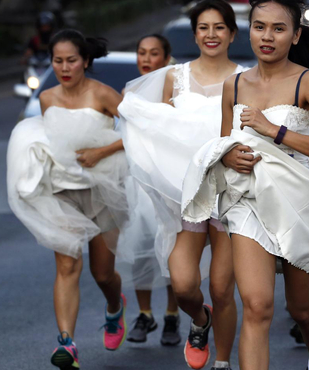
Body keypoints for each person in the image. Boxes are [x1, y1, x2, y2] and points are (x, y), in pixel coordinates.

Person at [181, 1, 309, 368]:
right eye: (260, 27)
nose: (267, 36)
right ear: (250, 31)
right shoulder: (235, 84)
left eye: (278, 28)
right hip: (248, 201)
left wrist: (274, 130)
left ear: (295, 36)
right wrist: (227, 157)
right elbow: (224, 142)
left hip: (298, 201)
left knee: (304, 309)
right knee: (257, 307)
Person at [117, 2, 247, 369]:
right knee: (185, 284)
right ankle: (199, 319)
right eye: (203, 27)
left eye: (219, 27)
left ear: (232, 34)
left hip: (229, 196)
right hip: (186, 196)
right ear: (194, 34)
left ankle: (222, 362)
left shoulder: (244, 79)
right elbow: (160, 133)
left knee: (223, 289)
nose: (211, 34)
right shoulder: (175, 78)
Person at [7, 29, 133, 369]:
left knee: (103, 274)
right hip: (62, 192)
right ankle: (67, 343)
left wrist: (100, 152)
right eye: (58, 61)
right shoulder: (47, 98)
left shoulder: (104, 94)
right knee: (67, 265)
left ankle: (114, 307)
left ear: (85, 61)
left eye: (71, 61)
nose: (65, 68)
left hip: (103, 189)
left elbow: (136, 131)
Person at [125, 33, 182, 347]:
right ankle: (145, 313)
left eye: (154, 53)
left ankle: (172, 314)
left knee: (170, 246)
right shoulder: (129, 92)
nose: (146, 59)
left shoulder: (174, 89)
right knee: (139, 248)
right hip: (135, 181)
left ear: (166, 57)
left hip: (166, 180)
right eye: (141, 52)